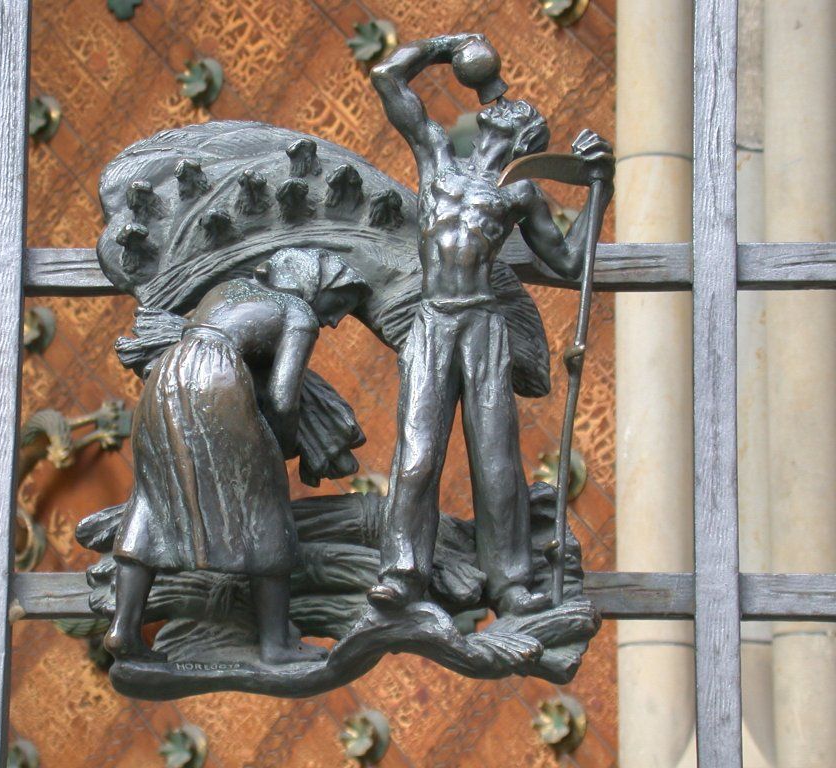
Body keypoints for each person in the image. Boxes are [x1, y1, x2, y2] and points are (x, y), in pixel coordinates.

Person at [366, 34, 614, 615]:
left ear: (524, 136)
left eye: (514, 112)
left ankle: (509, 581)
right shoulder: (435, 159)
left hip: (482, 324)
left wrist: (600, 190)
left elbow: (571, 263)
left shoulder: (520, 194)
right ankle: (403, 571)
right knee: (417, 453)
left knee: (497, 459)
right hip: (432, 324)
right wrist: (449, 47)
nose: (499, 106)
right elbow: (386, 78)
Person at [104, 248, 371, 665]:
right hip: (219, 383)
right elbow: (284, 398)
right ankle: (276, 643)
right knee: (266, 505)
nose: (334, 320)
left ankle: (123, 628)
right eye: (337, 305)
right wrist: (279, 448)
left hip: (169, 379)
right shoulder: (297, 312)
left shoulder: (227, 289)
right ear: (313, 285)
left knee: (153, 501)